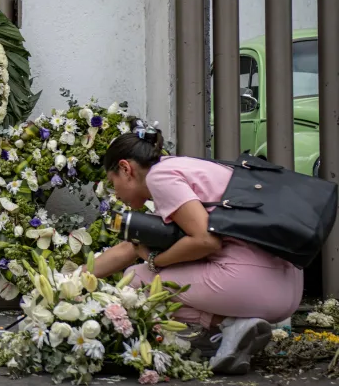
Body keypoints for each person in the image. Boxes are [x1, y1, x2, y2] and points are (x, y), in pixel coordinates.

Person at [92, 123, 302, 375]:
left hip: (256, 284)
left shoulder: (160, 178)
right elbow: (133, 247)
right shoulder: (182, 167)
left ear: (126, 169)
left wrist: (156, 262)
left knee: (136, 280)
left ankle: (228, 327)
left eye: (112, 182)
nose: (115, 194)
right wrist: (75, 278)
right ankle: (230, 332)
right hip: (286, 285)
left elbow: (205, 241)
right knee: (157, 271)